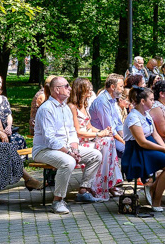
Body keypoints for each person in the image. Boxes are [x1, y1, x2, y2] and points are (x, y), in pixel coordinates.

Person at [32, 77, 103, 214]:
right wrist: (69, 153)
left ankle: (83, 190)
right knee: (68, 162)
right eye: (66, 86)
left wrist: (75, 148)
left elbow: (72, 132)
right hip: (44, 150)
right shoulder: (46, 109)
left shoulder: (65, 107)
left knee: (95, 155)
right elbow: (49, 139)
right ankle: (58, 201)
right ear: (57, 89)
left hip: (65, 148)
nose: (70, 88)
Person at [120, 87, 165, 212]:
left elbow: (155, 134)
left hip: (150, 145)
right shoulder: (133, 117)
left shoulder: (146, 114)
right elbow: (142, 142)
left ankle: (153, 187)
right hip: (137, 151)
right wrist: (163, 150)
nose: (154, 102)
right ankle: (156, 200)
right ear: (143, 101)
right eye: (152, 99)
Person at [69, 78, 122, 201]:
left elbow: (89, 126)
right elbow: (78, 132)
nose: (91, 90)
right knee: (106, 142)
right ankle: (101, 184)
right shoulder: (72, 107)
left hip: (88, 139)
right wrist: (99, 135)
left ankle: (105, 183)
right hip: (77, 142)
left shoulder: (84, 106)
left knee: (109, 140)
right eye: (88, 88)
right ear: (81, 89)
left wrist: (102, 132)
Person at [89, 73, 126, 158]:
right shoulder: (103, 101)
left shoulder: (112, 100)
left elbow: (119, 124)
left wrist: (125, 137)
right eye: (121, 86)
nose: (123, 89)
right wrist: (124, 142)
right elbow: (109, 128)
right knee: (128, 150)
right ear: (113, 87)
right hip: (102, 138)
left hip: (112, 136)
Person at [0, 74, 26, 151]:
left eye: (0, 82)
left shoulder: (4, 98)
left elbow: (9, 115)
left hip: (7, 128)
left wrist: (9, 126)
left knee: (19, 138)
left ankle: (19, 160)